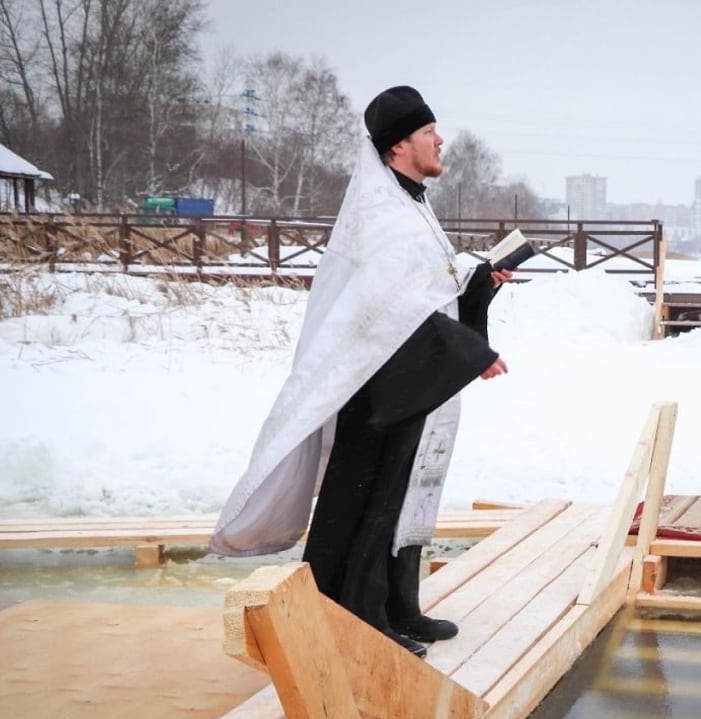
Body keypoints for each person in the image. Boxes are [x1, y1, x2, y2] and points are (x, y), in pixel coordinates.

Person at [210, 85, 510, 658]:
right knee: (365, 502)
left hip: (404, 385)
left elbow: (425, 293)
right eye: (429, 133)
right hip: (374, 388)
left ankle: (398, 607)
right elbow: (393, 310)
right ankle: (356, 621)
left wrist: (477, 285)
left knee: (403, 499)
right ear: (400, 146)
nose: (440, 140)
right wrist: (473, 353)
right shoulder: (380, 214)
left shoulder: (411, 203)